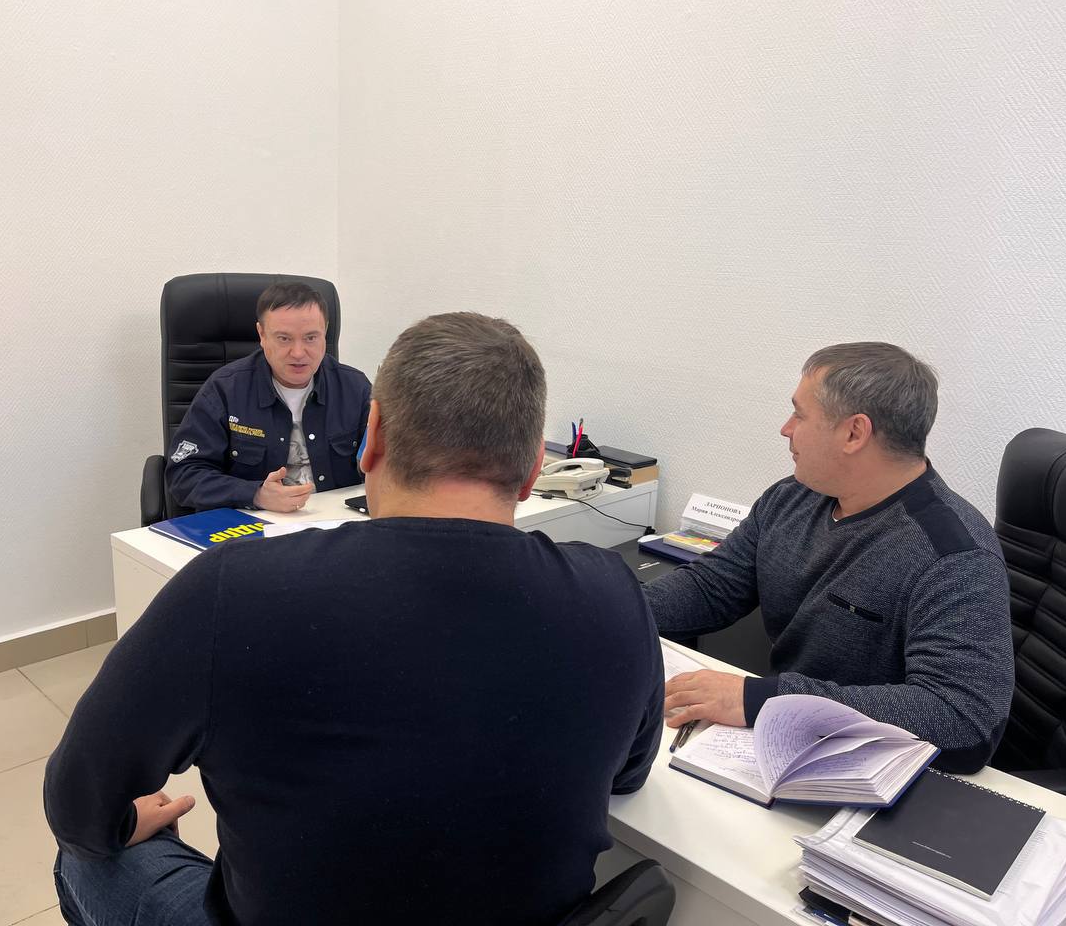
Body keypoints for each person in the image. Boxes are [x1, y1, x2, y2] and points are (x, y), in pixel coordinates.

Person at [45, 312, 664, 926]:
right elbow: (628, 775)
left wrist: (122, 824)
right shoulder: (615, 594)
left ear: (372, 439)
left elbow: (77, 805)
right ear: (532, 469)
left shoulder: (232, 590)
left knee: (83, 860)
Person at [650, 342, 1013, 774]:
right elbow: (712, 588)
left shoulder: (953, 556)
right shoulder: (794, 497)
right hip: (779, 741)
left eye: (800, 415)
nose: (786, 429)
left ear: (854, 433)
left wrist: (763, 701)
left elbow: (963, 719)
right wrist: (612, 608)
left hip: (869, 774)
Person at [164, 281, 371, 514]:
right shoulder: (224, 390)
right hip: (254, 524)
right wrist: (255, 494)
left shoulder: (355, 388)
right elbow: (184, 474)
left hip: (335, 523)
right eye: (284, 338)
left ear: (325, 332)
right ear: (262, 334)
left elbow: (389, 466)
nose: (298, 353)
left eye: (311, 337)